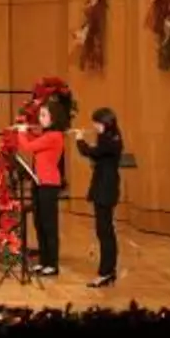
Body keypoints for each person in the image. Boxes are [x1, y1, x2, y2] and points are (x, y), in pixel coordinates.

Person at [75, 107, 124, 287]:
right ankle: (108, 271)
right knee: (104, 231)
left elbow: (90, 152)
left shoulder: (109, 140)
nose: (94, 126)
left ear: (105, 122)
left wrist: (79, 139)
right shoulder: (111, 137)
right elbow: (98, 157)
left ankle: (106, 272)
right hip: (104, 188)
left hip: (105, 189)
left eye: (96, 122)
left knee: (105, 232)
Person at [17, 100, 65, 277]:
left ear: (54, 118)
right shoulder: (47, 135)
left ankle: (53, 264)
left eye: (44, 115)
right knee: (39, 223)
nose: (40, 118)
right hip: (39, 182)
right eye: (40, 115)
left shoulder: (55, 136)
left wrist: (21, 132)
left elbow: (28, 146)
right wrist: (26, 131)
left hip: (49, 183)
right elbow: (35, 141)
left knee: (49, 224)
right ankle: (44, 261)